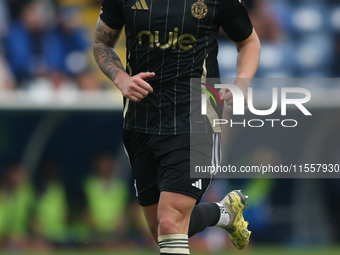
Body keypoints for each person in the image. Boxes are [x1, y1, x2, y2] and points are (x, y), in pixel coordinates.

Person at [93, 0, 260, 254]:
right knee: (159, 227)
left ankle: (221, 213)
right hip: (141, 121)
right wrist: (121, 78)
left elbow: (248, 42)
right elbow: (101, 43)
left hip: (197, 117)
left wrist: (242, 83)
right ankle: (223, 212)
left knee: (170, 222)